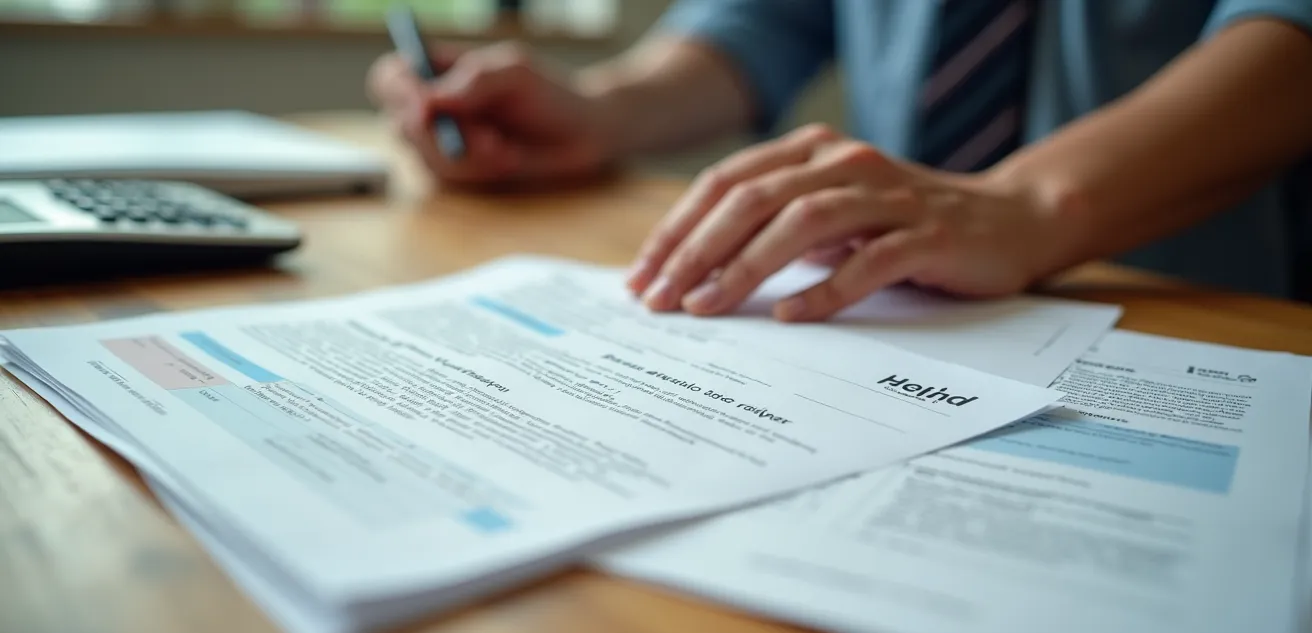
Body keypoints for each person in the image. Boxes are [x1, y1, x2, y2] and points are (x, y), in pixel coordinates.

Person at [368, 0, 1312, 321]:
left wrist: (1025, 203)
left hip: (1197, 312)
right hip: (899, 306)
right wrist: (603, 110)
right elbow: (770, 18)